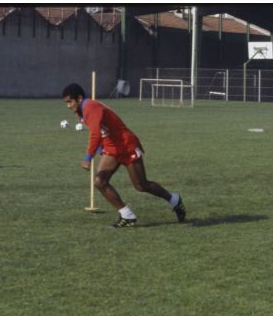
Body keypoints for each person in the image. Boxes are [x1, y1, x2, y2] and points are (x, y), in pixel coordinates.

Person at [62, 83, 186, 227]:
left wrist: (88, 157)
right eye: (66, 103)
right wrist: (101, 150)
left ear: (79, 98)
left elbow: (95, 134)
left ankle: (174, 200)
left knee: (141, 185)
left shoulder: (90, 106)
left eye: (70, 101)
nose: (68, 106)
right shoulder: (80, 113)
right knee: (99, 182)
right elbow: (101, 133)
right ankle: (127, 215)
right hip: (112, 149)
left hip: (127, 145)